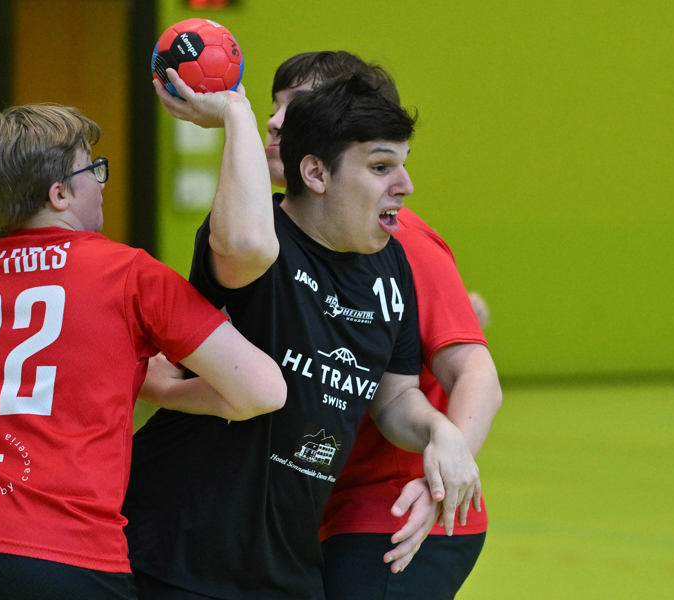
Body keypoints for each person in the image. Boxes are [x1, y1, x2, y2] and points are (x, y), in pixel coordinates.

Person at [0, 103, 287, 600]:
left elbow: (56, 365)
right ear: (58, 194)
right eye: (92, 170)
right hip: (64, 553)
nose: (102, 183)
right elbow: (263, 390)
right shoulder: (126, 274)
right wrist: (171, 393)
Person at [122, 69, 481, 599]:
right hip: (177, 548)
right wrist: (234, 114)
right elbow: (244, 240)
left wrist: (441, 432)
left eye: (403, 165)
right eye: (381, 166)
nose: (404, 185)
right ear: (314, 172)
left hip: (285, 566)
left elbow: (395, 397)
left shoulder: (393, 267)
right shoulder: (260, 241)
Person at [262, 52, 503, 599]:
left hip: (395, 506)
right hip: (318, 508)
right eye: (272, 107)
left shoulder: (399, 240)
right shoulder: (273, 230)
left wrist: (444, 470)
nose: (275, 122)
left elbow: (474, 369)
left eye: (296, 107)